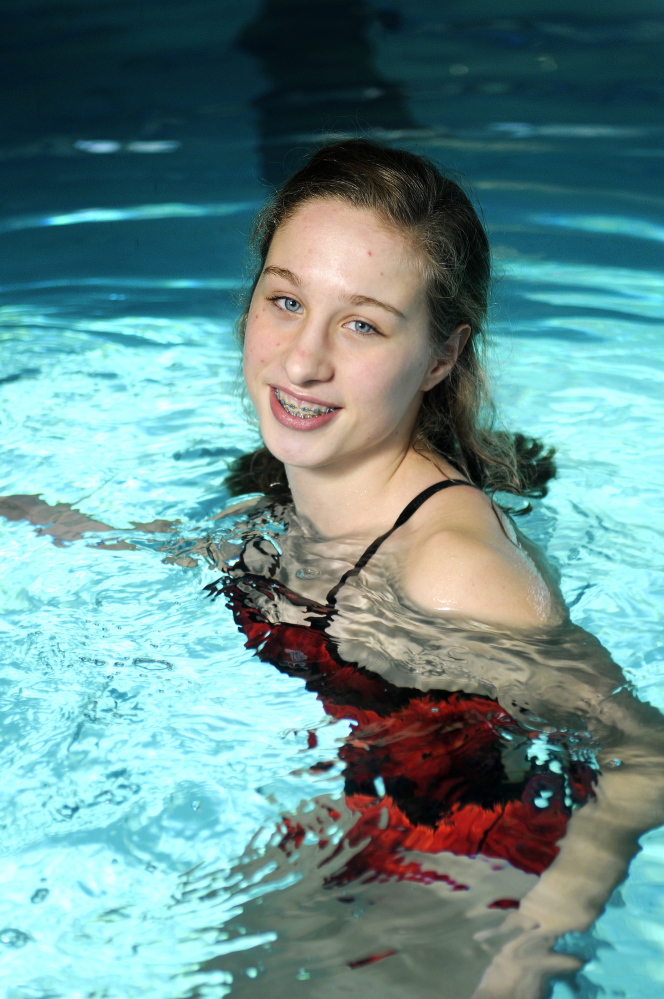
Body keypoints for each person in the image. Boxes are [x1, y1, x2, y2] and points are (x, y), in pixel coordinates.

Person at [2, 139, 664, 998]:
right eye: (285, 300)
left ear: (439, 357)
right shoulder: (301, 498)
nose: (302, 359)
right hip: (356, 828)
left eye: (362, 324)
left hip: (465, 876)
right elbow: (245, 561)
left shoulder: (455, 570)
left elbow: (643, 752)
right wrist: (63, 525)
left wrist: (541, 931)